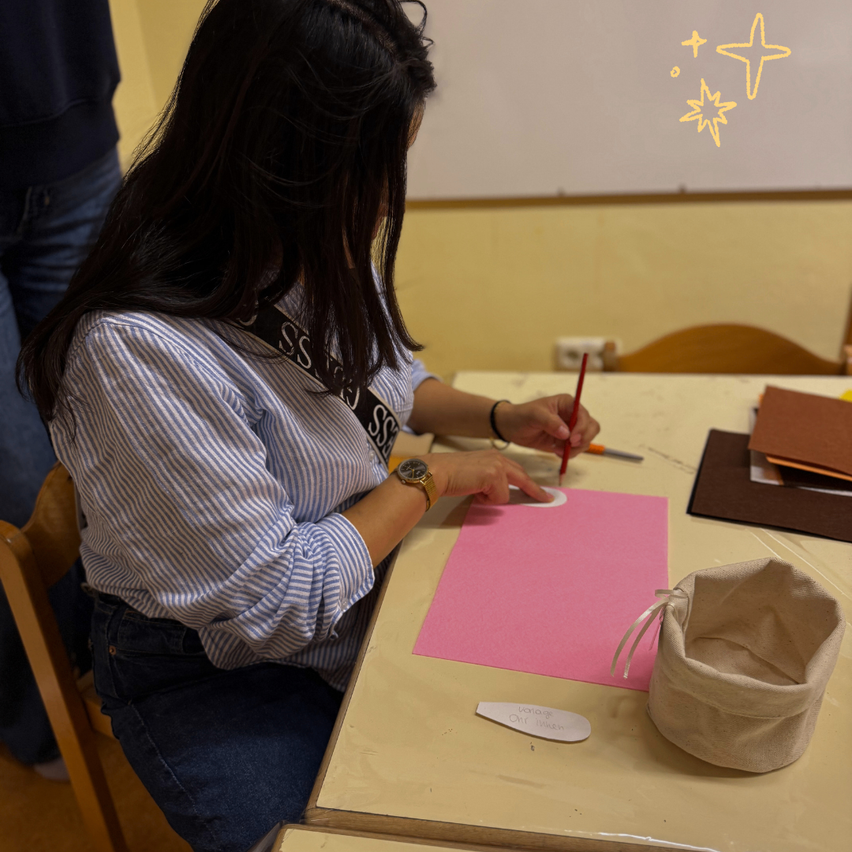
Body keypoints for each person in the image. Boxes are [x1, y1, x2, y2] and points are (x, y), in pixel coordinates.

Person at [19, 0, 599, 849]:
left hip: (347, 587)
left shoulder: (296, 241)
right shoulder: (135, 351)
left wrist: (500, 417)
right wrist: (426, 477)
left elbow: (386, 379)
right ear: (288, 167)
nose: (379, 206)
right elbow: (273, 600)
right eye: (372, 174)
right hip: (214, 666)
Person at [0, 0, 122, 780]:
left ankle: (113, 670)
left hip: (71, 133)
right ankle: (40, 713)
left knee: (115, 437)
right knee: (18, 487)